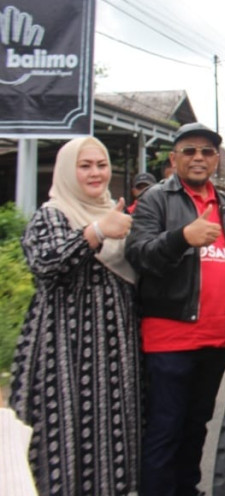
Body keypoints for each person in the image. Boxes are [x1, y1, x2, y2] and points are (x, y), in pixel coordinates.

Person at [126, 122, 225, 496]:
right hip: (169, 337)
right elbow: (139, 254)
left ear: (216, 159)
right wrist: (182, 237)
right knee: (165, 427)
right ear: (174, 159)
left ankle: (187, 489)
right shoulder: (156, 199)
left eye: (206, 152)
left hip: (215, 339)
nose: (198, 158)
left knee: (197, 423)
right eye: (189, 151)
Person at [10, 137, 141, 495]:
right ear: (69, 171)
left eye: (101, 164)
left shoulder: (117, 214)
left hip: (113, 352)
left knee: (111, 432)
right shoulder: (52, 214)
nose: (95, 172)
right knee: (63, 433)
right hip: (62, 351)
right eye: (85, 166)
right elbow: (47, 263)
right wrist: (96, 233)